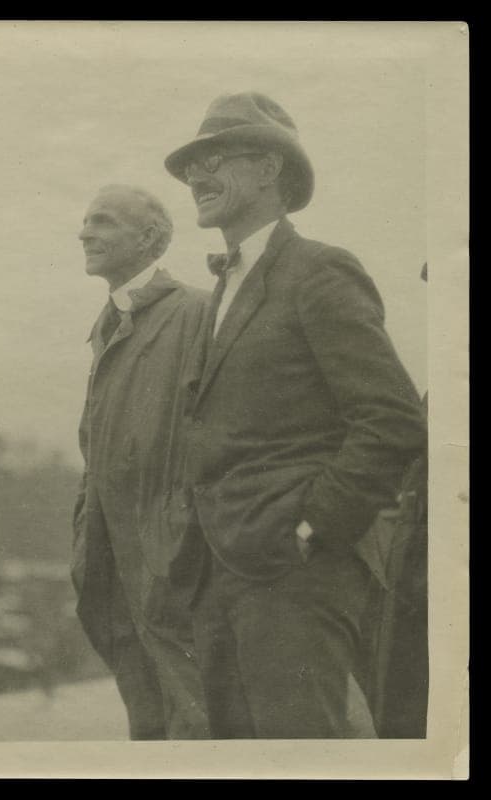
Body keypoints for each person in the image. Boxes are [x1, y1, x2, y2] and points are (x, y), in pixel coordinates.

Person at [163, 92, 428, 738]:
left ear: (269, 169)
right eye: (191, 165)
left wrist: (313, 528)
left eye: (215, 158)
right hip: (219, 576)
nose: (196, 176)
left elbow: (392, 418)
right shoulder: (223, 289)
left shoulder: (318, 272)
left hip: (294, 579)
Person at [71, 184, 210, 739]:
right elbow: (95, 451)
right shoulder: (107, 326)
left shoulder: (197, 313)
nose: (84, 233)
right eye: (85, 221)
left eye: (102, 221)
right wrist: (85, 531)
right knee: (149, 722)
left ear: (150, 237)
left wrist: (176, 534)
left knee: (198, 721)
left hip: (173, 567)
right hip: (112, 566)